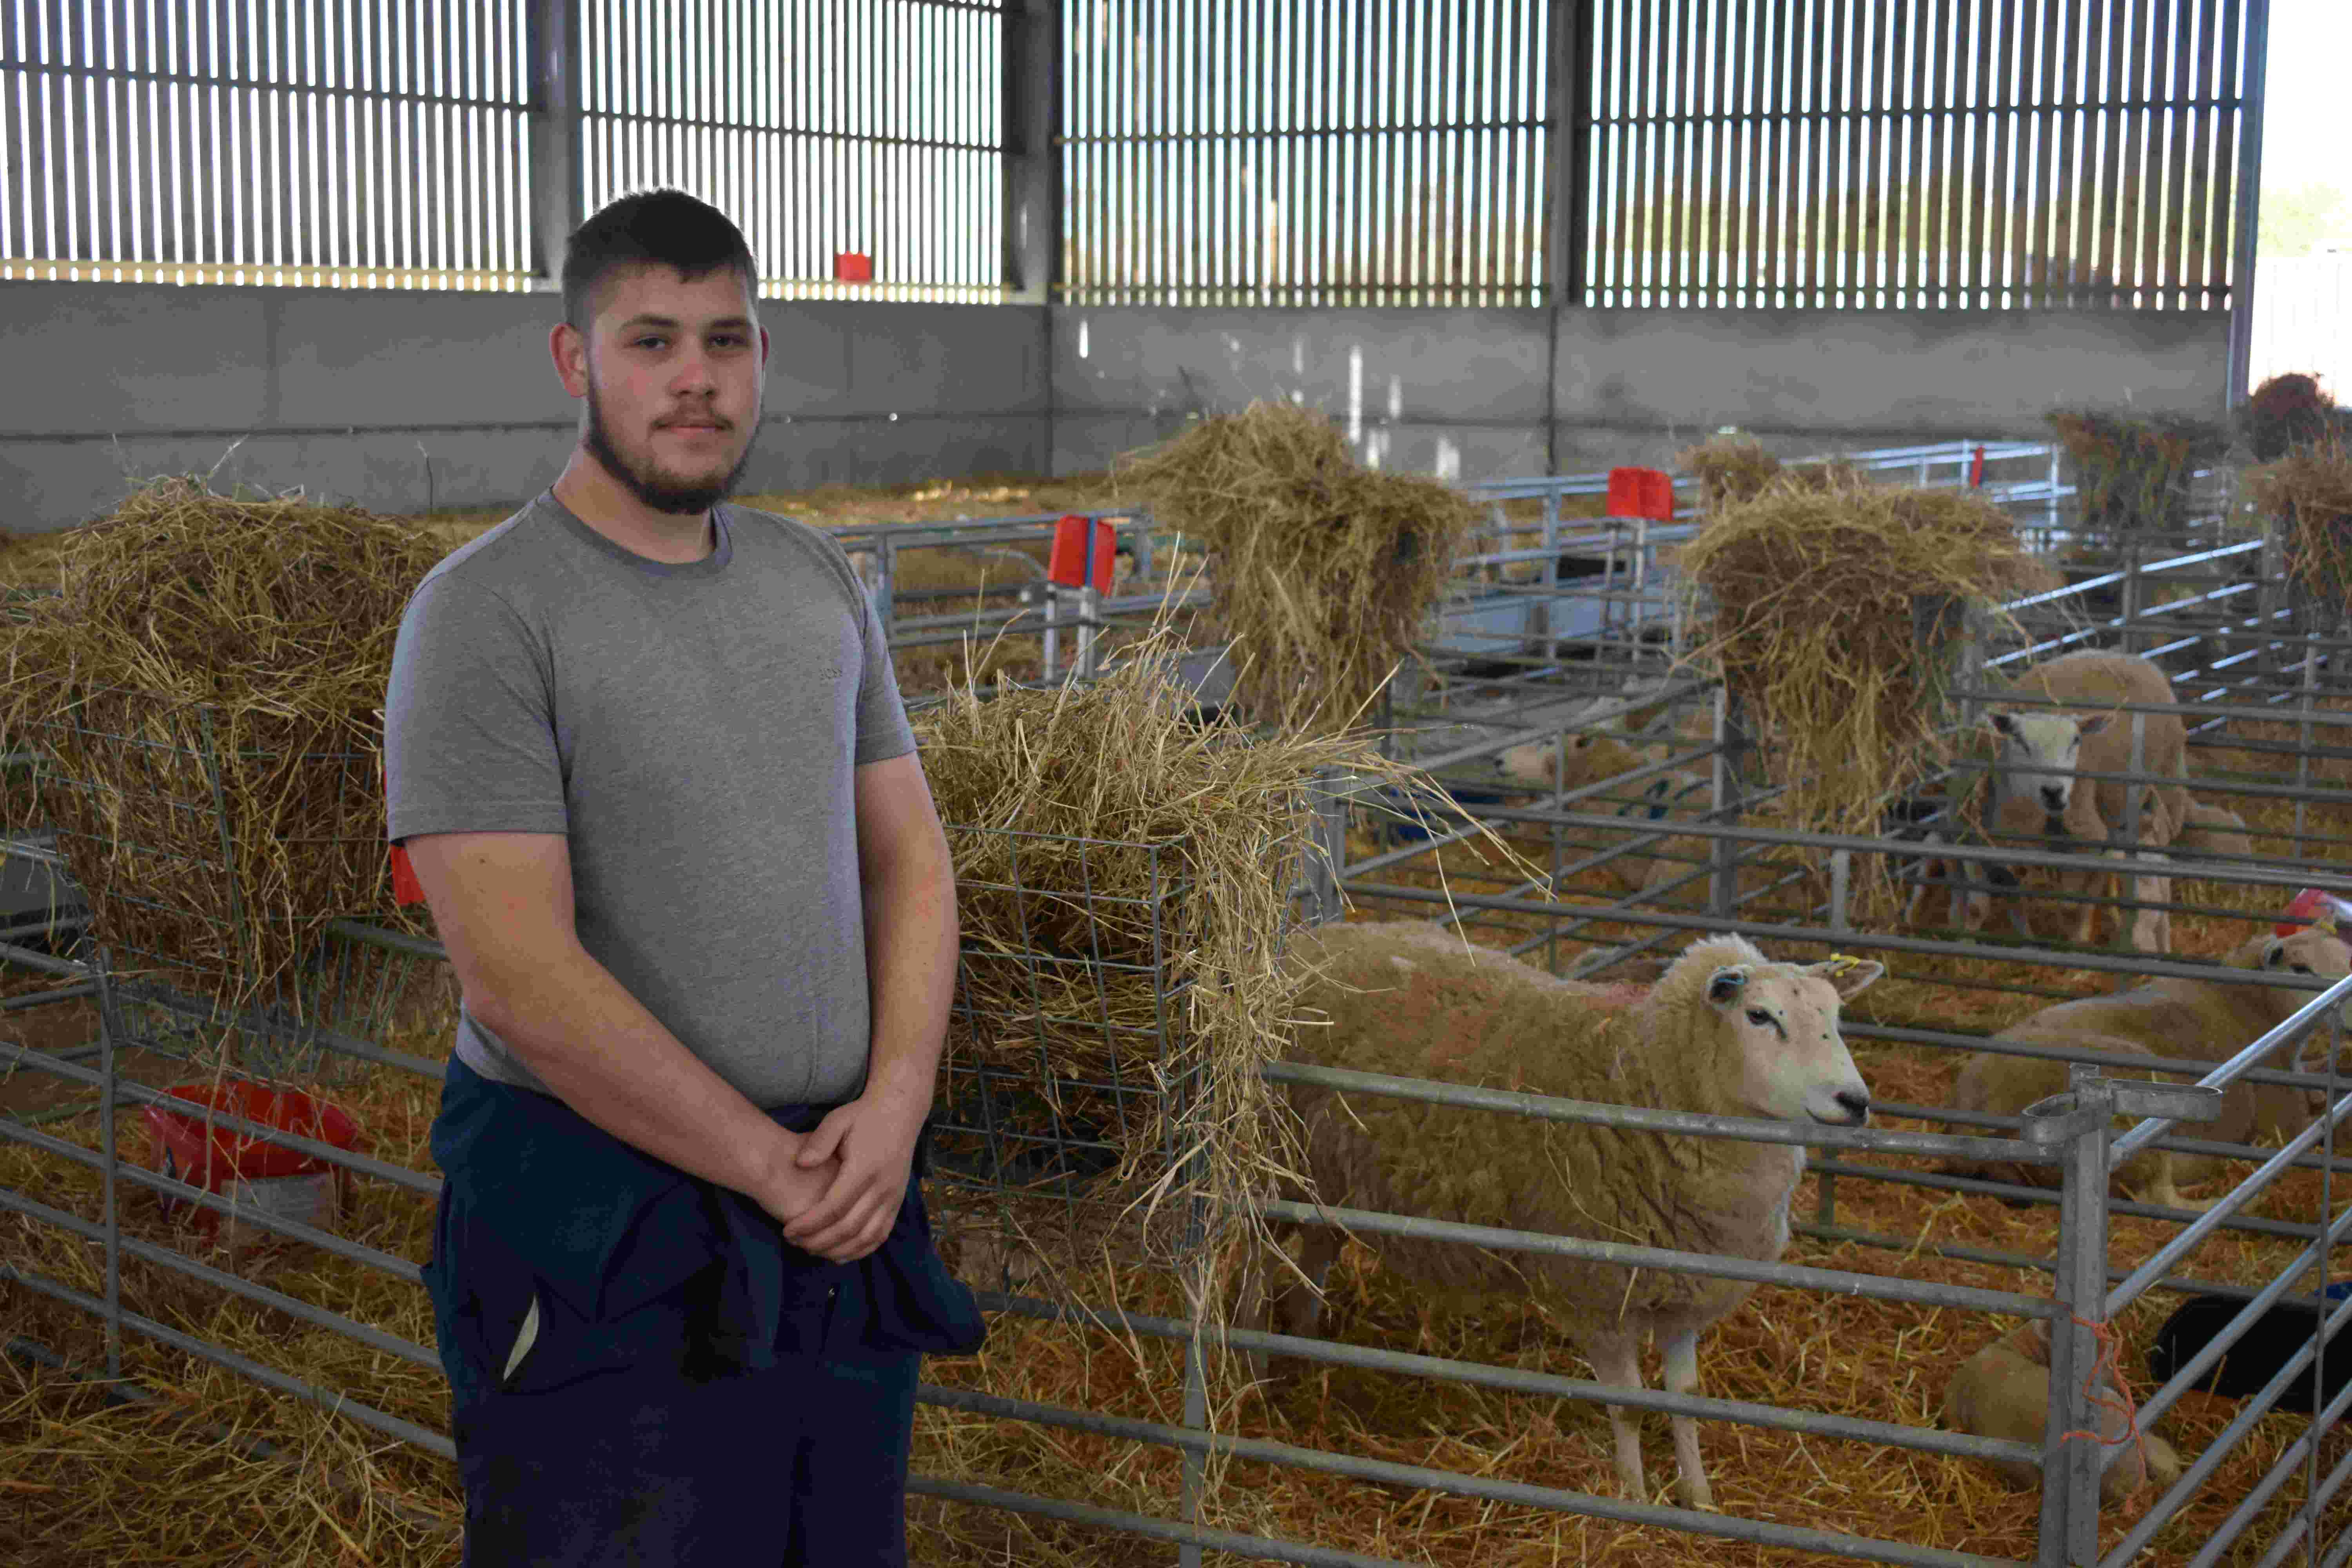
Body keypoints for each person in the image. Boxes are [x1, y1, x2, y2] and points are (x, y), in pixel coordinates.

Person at [384, 187, 985, 1566]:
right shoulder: (485, 612)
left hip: (837, 1211)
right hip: (604, 1228)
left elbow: (911, 858)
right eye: (652, 341)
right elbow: (519, 977)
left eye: (728, 339)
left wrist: (893, 1110)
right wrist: (773, 1167)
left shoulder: (813, 578)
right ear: (572, 359)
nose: (697, 380)